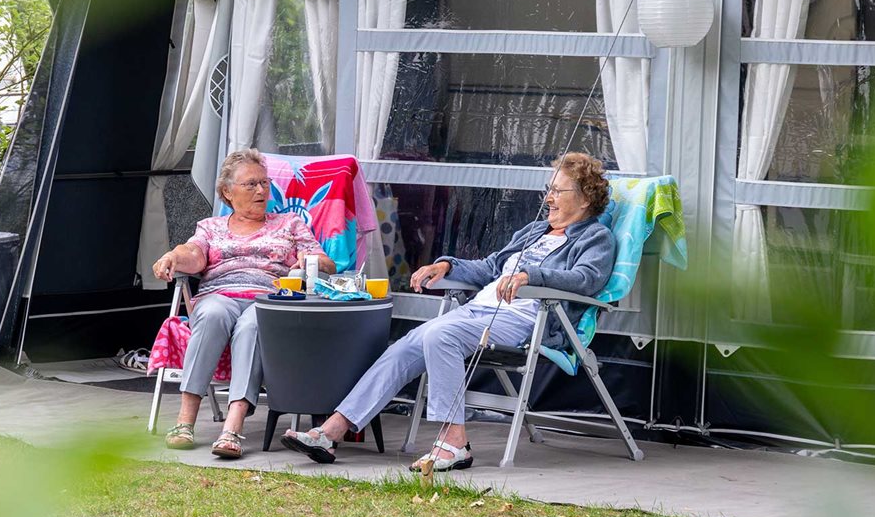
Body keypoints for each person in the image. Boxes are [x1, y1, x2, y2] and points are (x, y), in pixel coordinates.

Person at [280, 152, 615, 471]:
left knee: (441, 335)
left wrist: (531, 276)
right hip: (482, 310)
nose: (549, 198)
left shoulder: (596, 238)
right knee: (407, 346)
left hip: (526, 318)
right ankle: (330, 432)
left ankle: (455, 442)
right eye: (549, 189)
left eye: (558, 190)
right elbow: (489, 268)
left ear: (585, 198)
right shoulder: (533, 231)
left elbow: (587, 279)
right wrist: (445, 265)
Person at [152, 148, 335, 459]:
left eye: (264, 183)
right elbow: (193, 255)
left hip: (267, 299)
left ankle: (232, 426)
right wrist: (171, 256)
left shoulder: (289, 224)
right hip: (219, 295)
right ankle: (185, 421)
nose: (261, 190)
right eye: (251, 184)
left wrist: (310, 261)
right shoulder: (210, 227)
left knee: (252, 324)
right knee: (210, 314)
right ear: (227, 191)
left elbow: (327, 265)